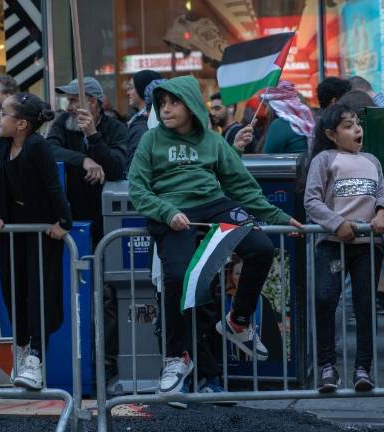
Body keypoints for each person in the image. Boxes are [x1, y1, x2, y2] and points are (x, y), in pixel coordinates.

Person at [128, 75, 302, 395]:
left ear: (192, 105)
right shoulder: (151, 141)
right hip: (174, 214)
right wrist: (167, 212)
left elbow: (242, 187)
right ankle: (176, 359)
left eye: (173, 102)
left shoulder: (212, 140)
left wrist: (279, 217)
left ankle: (238, 321)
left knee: (261, 248)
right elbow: (137, 189)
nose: (165, 109)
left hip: (214, 205)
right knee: (180, 281)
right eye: (162, 104)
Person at [0, 93, 72, 390]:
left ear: (21, 124)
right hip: (14, 230)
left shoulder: (38, 147)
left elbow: (53, 186)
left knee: (40, 294)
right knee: (12, 291)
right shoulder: (3, 144)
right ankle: (20, 349)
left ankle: (35, 357)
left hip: (43, 230)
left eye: (4, 114)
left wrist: (63, 223)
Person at [303, 103, 384, 393]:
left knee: (365, 307)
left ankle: (363, 368)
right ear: (331, 134)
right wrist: (336, 223)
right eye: (348, 125)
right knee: (326, 301)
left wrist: (381, 212)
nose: (357, 130)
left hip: (368, 246)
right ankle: (327, 367)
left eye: (357, 123)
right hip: (331, 245)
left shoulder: (372, 161)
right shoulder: (324, 160)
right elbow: (312, 201)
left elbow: (381, 193)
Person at [47, 77, 128, 381]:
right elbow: (49, 152)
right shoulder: (61, 124)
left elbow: (118, 168)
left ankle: (106, 363)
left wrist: (93, 137)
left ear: (92, 103)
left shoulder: (115, 128)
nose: (68, 106)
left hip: (105, 224)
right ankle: (73, 361)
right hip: (69, 222)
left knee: (105, 294)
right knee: (71, 292)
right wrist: (83, 160)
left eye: (73, 100)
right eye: (67, 100)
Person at [261, 81, 314, 154]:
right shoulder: (309, 122)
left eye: (266, 106)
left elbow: (265, 160)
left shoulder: (279, 125)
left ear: (276, 106)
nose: (265, 112)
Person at [126, 70, 162, 170]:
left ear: (143, 87)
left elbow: (135, 168)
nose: (128, 92)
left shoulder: (145, 124)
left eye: (131, 87)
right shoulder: (136, 118)